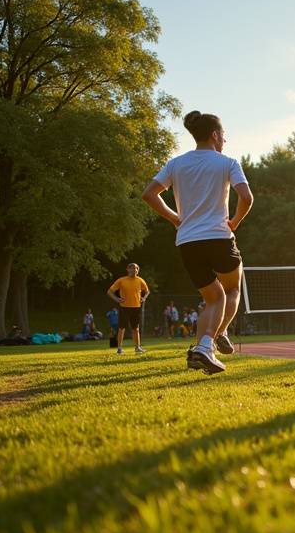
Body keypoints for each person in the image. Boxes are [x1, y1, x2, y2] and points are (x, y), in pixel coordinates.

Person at [141, 110, 253, 375]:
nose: (224, 140)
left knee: (213, 299)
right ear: (215, 135)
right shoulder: (227, 162)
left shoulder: (176, 163)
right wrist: (235, 221)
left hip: (188, 242)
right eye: (223, 136)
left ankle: (202, 348)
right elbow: (246, 198)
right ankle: (212, 339)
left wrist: (174, 218)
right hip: (218, 236)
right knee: (232, 291)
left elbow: (149, 194)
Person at [106, 263, 150, 355]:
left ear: (138, 271)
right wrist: (117, 299)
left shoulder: (140, 280)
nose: (134, 270)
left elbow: (147, 291)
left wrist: (144, 297)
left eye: (136, 268)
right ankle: (119, 349)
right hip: (124, 307)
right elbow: (109, 292)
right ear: (128, 269)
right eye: (132, 268)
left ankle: (137, 347)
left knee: (136, 328)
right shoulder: (122, 280)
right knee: (121, 328)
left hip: (136, 307)